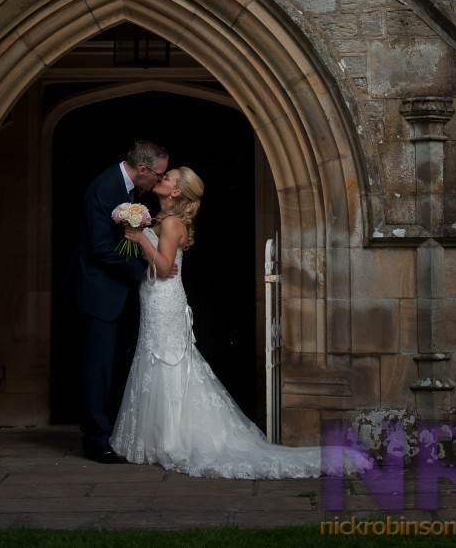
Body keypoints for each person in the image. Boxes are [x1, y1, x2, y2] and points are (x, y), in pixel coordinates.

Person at [110, 166, 323, 478]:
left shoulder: (169, 222)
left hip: (164, 299)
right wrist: (142, 234)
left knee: (167, 360)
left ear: (177, 192)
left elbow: (164, 266)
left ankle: (170, 440)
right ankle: (156, 437)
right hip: (155, 295)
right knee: (156, 357)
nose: (162, 178)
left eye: (168, 177)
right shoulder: (160, 219)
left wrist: (140, 238)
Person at [66, 139, 171, 464]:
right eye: (157, 174)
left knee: (107, 363)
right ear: (142, 170)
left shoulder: (128, 189)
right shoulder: (105, 187)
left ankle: (101, 428)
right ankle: (96, 441)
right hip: (99, 291)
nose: (158, 181)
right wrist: (141, 268)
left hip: (114, 291)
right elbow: (99, 247)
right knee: (98, 366)